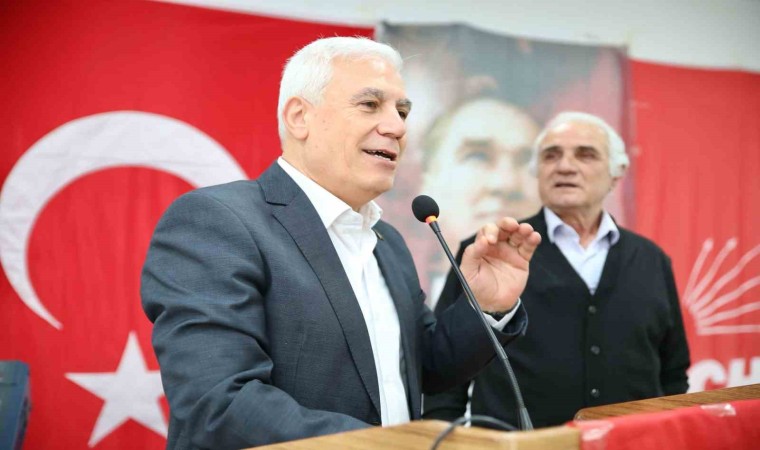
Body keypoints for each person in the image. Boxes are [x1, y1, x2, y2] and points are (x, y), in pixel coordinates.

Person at [141, 36, 542, 449]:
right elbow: (219, 404)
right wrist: (386, 446)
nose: (397, 127)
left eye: (402, 111)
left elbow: (424, 369)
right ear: (300, 117)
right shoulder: (217, 222)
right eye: (370, 104)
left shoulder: (387, 242)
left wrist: (486, 306)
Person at [423, 111, 690, 428]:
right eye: (551, 155)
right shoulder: (489, 252)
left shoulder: (651, 259)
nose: (565, 166)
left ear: (616, 174)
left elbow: (673, 373)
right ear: (537, 173)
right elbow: (446, 373)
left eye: (585, 154)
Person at [419, 98, 541, 304]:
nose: (506, 183)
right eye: (477, 156)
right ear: (428, 183)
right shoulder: (389, 291)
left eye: (526, 161)